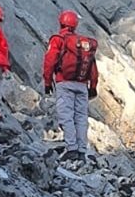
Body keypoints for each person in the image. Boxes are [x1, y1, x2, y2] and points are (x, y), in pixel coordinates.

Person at [42, 10, 98, 163]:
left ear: (61, 23)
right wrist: (93, 86)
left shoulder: (59, 39)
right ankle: (81, 150)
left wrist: (47, 81)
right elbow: (92, 66)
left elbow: (50, 60)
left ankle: (71, 148)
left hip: (64, 82)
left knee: (66, 115)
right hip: (82, 85)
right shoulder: (83, 44)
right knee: (81, 117)